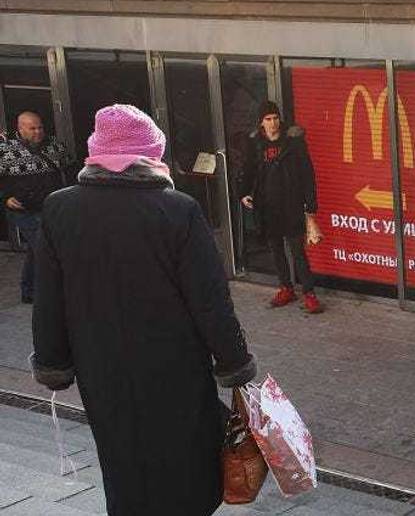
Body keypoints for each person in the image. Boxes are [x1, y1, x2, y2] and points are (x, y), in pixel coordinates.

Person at [29, 104, 256, 516]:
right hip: (176, 367)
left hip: (101, 368)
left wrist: (53, 362)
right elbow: (210, 301)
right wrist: (234, 362)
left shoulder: (60, 208)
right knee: (186, 464)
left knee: (124, 460)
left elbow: (48, 299)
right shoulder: (177, 210)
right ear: (151, 155)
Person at [240, 100, 323, 313]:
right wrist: (244, 193)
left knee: (297, 251)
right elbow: (248, 170)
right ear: (261, 122)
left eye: (275, 118)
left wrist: (310, 205)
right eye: (268, 119)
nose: (273, 123)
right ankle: (286, 287)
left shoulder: (293, 141)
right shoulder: (255, 143)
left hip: (292, 204)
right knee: (276, 250)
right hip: (267, 206)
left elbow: (307, 174)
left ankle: (309, 293)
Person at [0, 111, 74, 304]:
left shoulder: (55, 146)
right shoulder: (5, 150)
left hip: (51, 206)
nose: (38, 132)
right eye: (32, 128)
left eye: (40, 127)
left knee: (37, 250)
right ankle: (55, 293)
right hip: (23, 209)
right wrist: (5, 197)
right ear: (20, 128)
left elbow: (69, 170)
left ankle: (29, 290)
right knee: (45, 248)